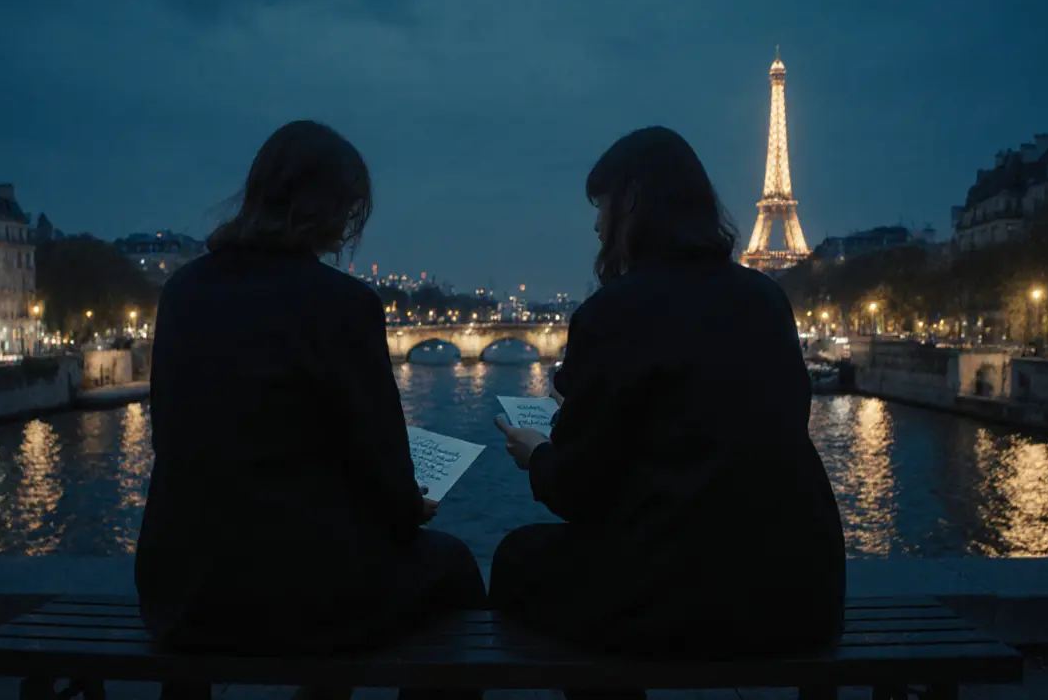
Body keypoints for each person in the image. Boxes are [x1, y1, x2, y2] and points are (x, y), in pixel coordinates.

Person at [490, 127, 846, 699]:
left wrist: (539, 456)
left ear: (629, 199)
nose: (597, 225)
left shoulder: (613, 314)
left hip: (680, 606)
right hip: (800, 597)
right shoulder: (767, 299)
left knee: (517, 560)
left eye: (601, 206)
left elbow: (580, 493)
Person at [135, 121, 486, 700]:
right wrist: (407, 506)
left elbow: (169, 433)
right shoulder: (342, 305)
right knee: (451, 569)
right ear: (332, 210)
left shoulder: (182, 293)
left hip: (181, 593)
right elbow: (382, 466)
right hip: (300, 599)